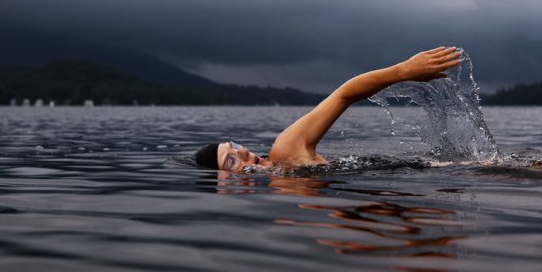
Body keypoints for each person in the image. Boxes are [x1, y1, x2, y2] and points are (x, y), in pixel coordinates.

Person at [194, 47, 462, 171]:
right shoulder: (281, 186)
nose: (242, 151)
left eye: (234, 145)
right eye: (230, 160)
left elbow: (343, 95)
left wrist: (403, 71)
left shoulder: (285, 151)